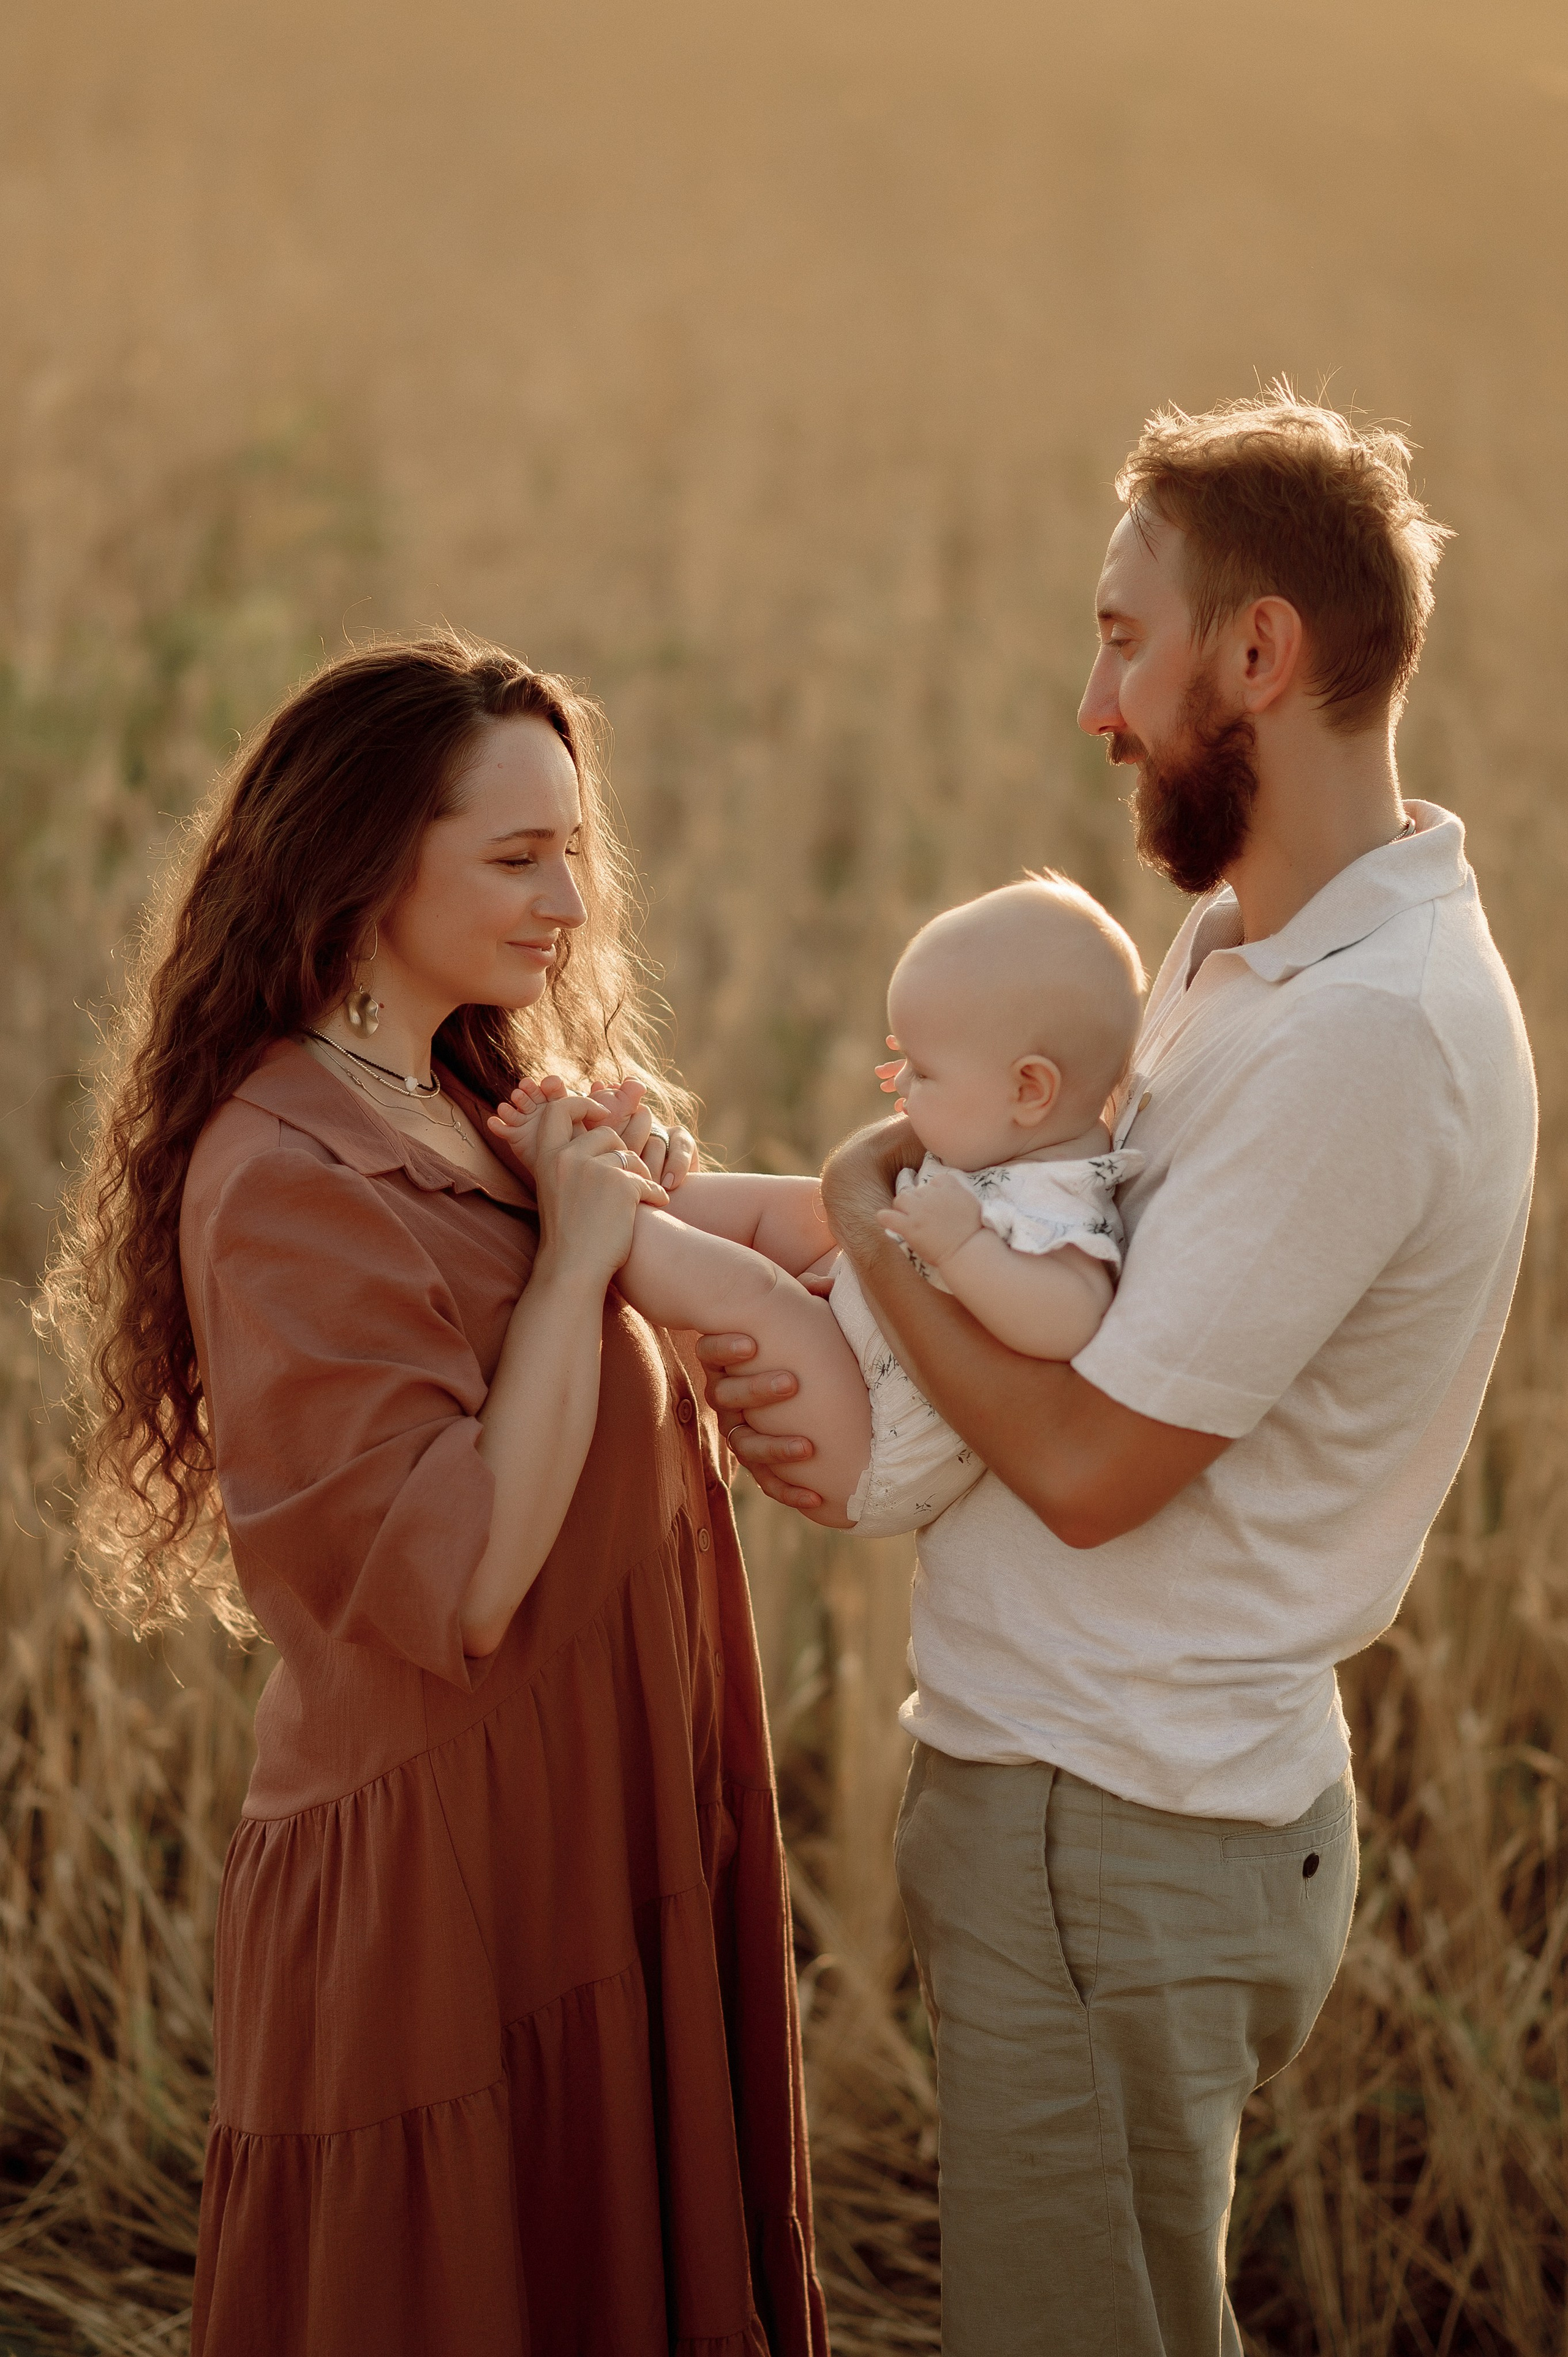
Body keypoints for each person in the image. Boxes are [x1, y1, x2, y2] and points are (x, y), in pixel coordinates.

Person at [702, 392, 1538, 2355]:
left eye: (1118, 636)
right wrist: (710, 1206)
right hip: (1094, 1806)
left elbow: (1086, 1464)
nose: (1092, 702)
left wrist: (869, 1211)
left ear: (1258, 652)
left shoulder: (1364, 1034)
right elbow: (1041, 1231)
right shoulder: (1233, 951)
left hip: (1122, 1823)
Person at [44, 635, 829, 2357]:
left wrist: (1023, 1153)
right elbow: (461, 1580)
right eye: (517, 854)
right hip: (452, 1892)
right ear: (367, 858)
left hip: (601, 1816)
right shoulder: (284, 1174)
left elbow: (779, 1231)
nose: (573, 894)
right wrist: (575, 1272)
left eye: (577, 845)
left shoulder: (479, 1089)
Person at [488, 872, 1145, 1538]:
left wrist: (963, 1248)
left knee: (755, 1289)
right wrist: (944, 1084)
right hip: (868, 1342)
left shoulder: (1063, 1200)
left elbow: (1072, 1318)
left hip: (875, 1439)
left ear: (1029, 1088)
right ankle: (620, 1176)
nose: (905, 1085)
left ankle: (601, 1208)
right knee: (794, 1209)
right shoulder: (1014, 1136)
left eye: (926, 1070)